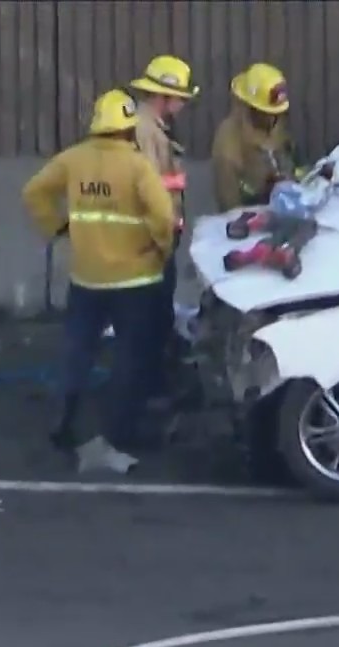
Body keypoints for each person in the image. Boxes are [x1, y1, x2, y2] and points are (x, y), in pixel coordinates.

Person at [21, 88, 174, 475]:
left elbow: (34, 192)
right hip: (136, 280)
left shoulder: (74, 159)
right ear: (128, 128)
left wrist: (57, 226)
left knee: (77, 353)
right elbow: (163, 216)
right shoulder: (137, 166)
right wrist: (161, 249)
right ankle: (120, 434)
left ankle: (63, 423)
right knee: (130, 359)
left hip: (86, 278)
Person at [128, 55, 196, 405]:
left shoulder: (155, 127)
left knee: (158, 313)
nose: (183, 104)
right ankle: (147, 392)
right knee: (150, 317)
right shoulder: (145, 130)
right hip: (151, 239)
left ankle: (151, 384)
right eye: (179, 97)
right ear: (162, 95)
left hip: (160, 236)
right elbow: (149, 188)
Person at [211, 63, 297, 214]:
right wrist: (262, 192)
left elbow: (288, 160)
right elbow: (230, 208)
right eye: (267, 113)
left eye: (277, 113)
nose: (274, 119)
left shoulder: (275, 122)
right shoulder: (228, 144)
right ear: (251, 108)